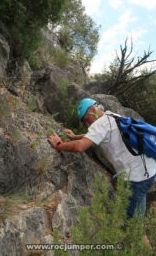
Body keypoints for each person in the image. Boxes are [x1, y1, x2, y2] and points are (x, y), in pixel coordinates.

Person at [48, 98, 156, 246]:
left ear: (92, 111)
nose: (87, 125)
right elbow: (94, 136)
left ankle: (143, 249)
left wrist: (60, 145)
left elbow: (80, 147)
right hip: (149, 172)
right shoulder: (111, 116)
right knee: (135, 207)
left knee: (135, 228)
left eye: (86, 120)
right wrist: (74, 136)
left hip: (136, 179)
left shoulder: (100, 124)